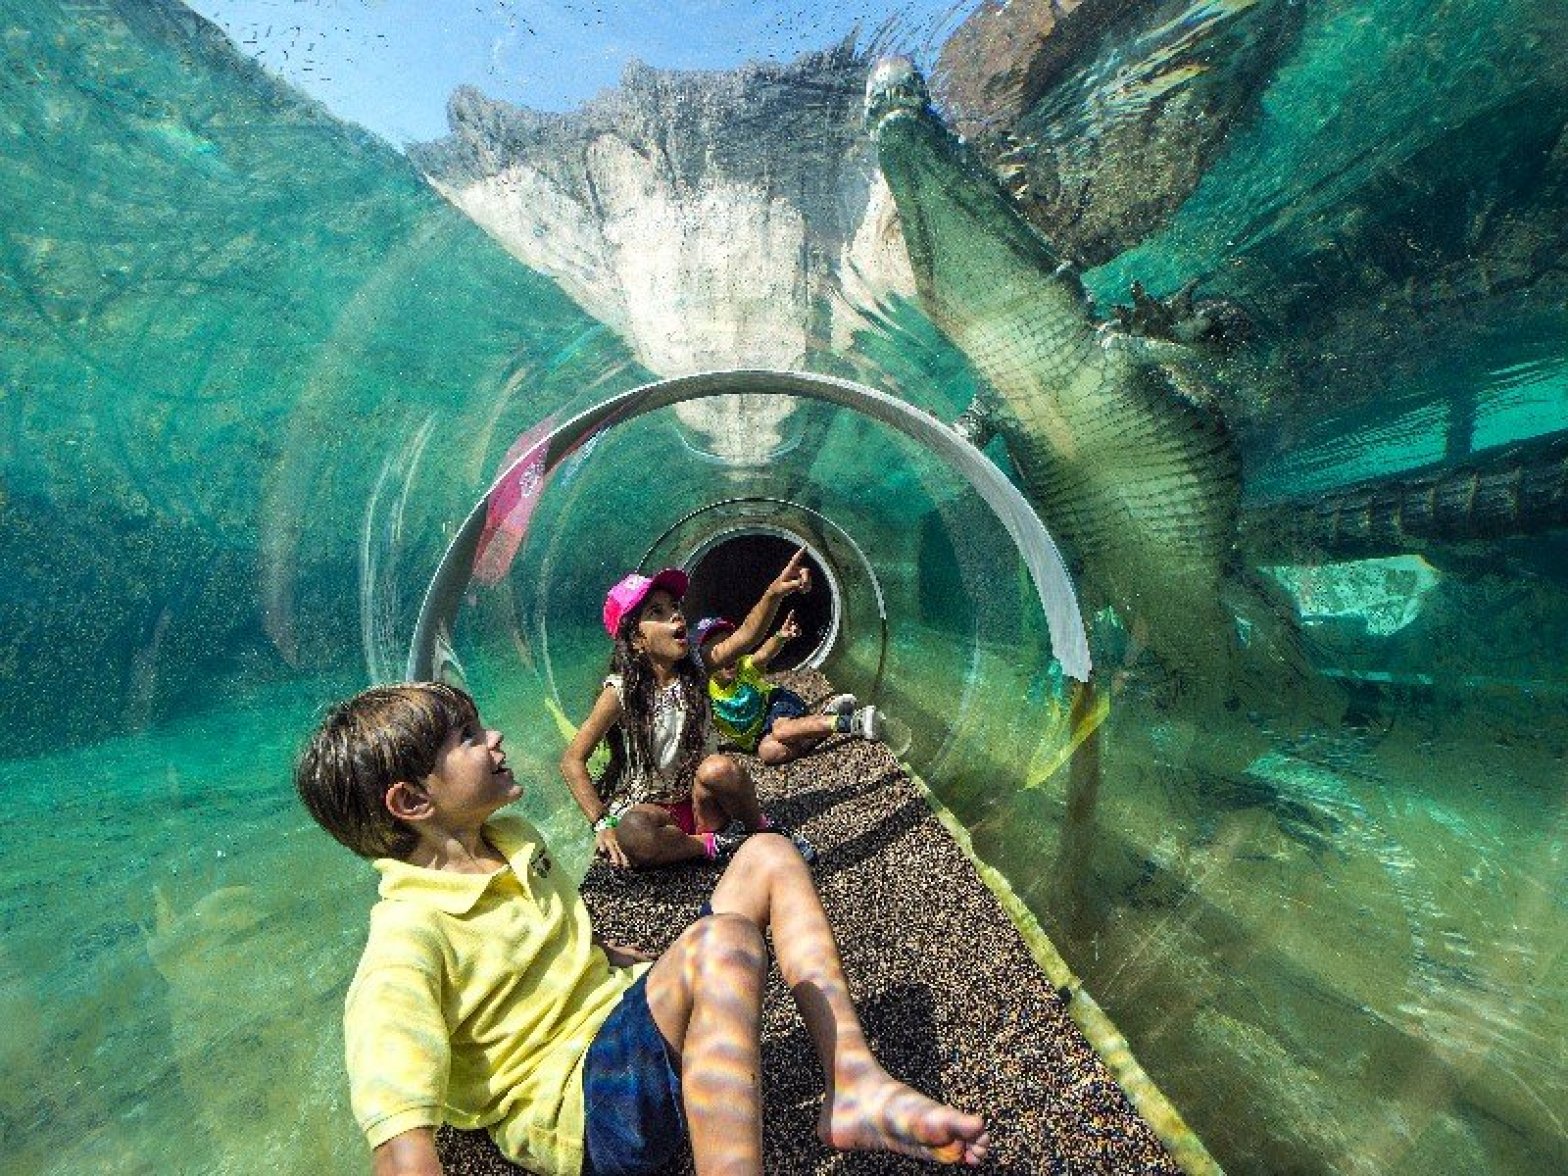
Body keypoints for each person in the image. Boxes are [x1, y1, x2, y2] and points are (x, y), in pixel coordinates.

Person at [294, 681, 991, 1176]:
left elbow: (538, 954)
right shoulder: (404, 944)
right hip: (589, 1114)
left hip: (621, 1032)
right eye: (468, 738)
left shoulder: (509, 837)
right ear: (412, 799)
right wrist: (694, 962)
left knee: (769, 855)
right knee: (721, 943)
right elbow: (398, 1141)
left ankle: (855, 1083)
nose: (496, 738)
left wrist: (633, 961)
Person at [561, 550, 818, 870]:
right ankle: (708, 847)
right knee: (633, 832)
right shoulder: (621, 691)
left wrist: (774, 592)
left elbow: (746, 637)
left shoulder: (696, 668)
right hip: (658, 814)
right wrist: (601, 823)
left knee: (719, 768)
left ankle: (763, 830)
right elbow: (572, 760)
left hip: (703, 805)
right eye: (658, 611)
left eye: (675, 607)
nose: (676, 616)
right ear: (636, 640)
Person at [693, 611, 883, 765]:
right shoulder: (705, 696)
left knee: (782, 730)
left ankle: (853, 722)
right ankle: (822, 722)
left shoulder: (744, 668)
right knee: (769, 753)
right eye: (717, 651)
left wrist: (780, 637)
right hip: (759, 737)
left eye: (730, 646)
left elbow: (763, 654)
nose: (728, 656)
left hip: (776, 706)